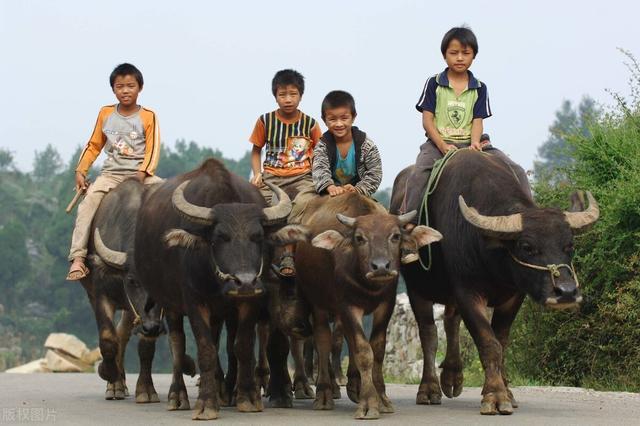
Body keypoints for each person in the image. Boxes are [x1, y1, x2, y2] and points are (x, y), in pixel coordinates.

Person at [401, 26, 528, 263]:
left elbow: (477, 121)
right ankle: (407, 231)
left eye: (465, 53)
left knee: (517, 170)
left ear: (474, 56)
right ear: (444, 55)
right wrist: (441, 145)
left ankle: (528, 222)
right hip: (439, 144)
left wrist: (475, 143)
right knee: (418, 175)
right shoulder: (434, 83)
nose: (460, 58)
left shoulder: (479, 87)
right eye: (454, 52)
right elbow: (427, 120)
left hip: (472, 143)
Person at [66, 63, 163, 280]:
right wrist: (81, 170)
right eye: (120, 86)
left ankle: (171, 257)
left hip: (141, 175)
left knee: (168, 199)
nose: (125, 90)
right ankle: (78, 258)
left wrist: (142, 174)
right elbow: (93, 144)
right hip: (111, 174)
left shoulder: (149, 116)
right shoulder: (106, 113)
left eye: (130, 86)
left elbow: (153, 149)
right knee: (87, 205)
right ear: (113, 89)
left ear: (140, 88)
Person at [249, 69, 322, 277]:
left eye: (293, 94)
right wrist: (257, 174)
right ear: (275, 96)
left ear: (301, 95)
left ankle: (288, 254)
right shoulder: (265, 121)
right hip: (272, 176)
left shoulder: (310, 124)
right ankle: (262, 256)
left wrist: (319, 177)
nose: (288, 99)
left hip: (302, 176)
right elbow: (256, 151)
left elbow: (320, 153)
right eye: (283, 95)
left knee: (300, 205)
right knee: (265, 208)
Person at [313, 90, 382, 198]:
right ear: (324, 120)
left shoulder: (366, 144)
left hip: (359, 194)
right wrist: (330, 187)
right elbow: (319, 169)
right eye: (332, 119)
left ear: (353, 117)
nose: (339, 124)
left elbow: (375, 173)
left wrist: (358, 189)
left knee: (380, 213)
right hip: (330, 193)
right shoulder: (322, 146)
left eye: (344, 118)